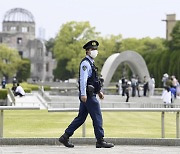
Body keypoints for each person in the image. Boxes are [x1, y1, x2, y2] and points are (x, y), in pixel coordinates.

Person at [59, 40, 114, 148]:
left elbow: (93, 80)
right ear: (87, 51)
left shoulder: (91, 63)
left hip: (89, 94)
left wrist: (98, 92)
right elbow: (83, 80)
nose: (95, 51)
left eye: (95, 49)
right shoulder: (85, 63)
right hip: (88, 96)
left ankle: (65, 136)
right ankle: (100, 141)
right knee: (97, 116)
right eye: (92, 49)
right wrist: (83, 94)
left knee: (81, 118)